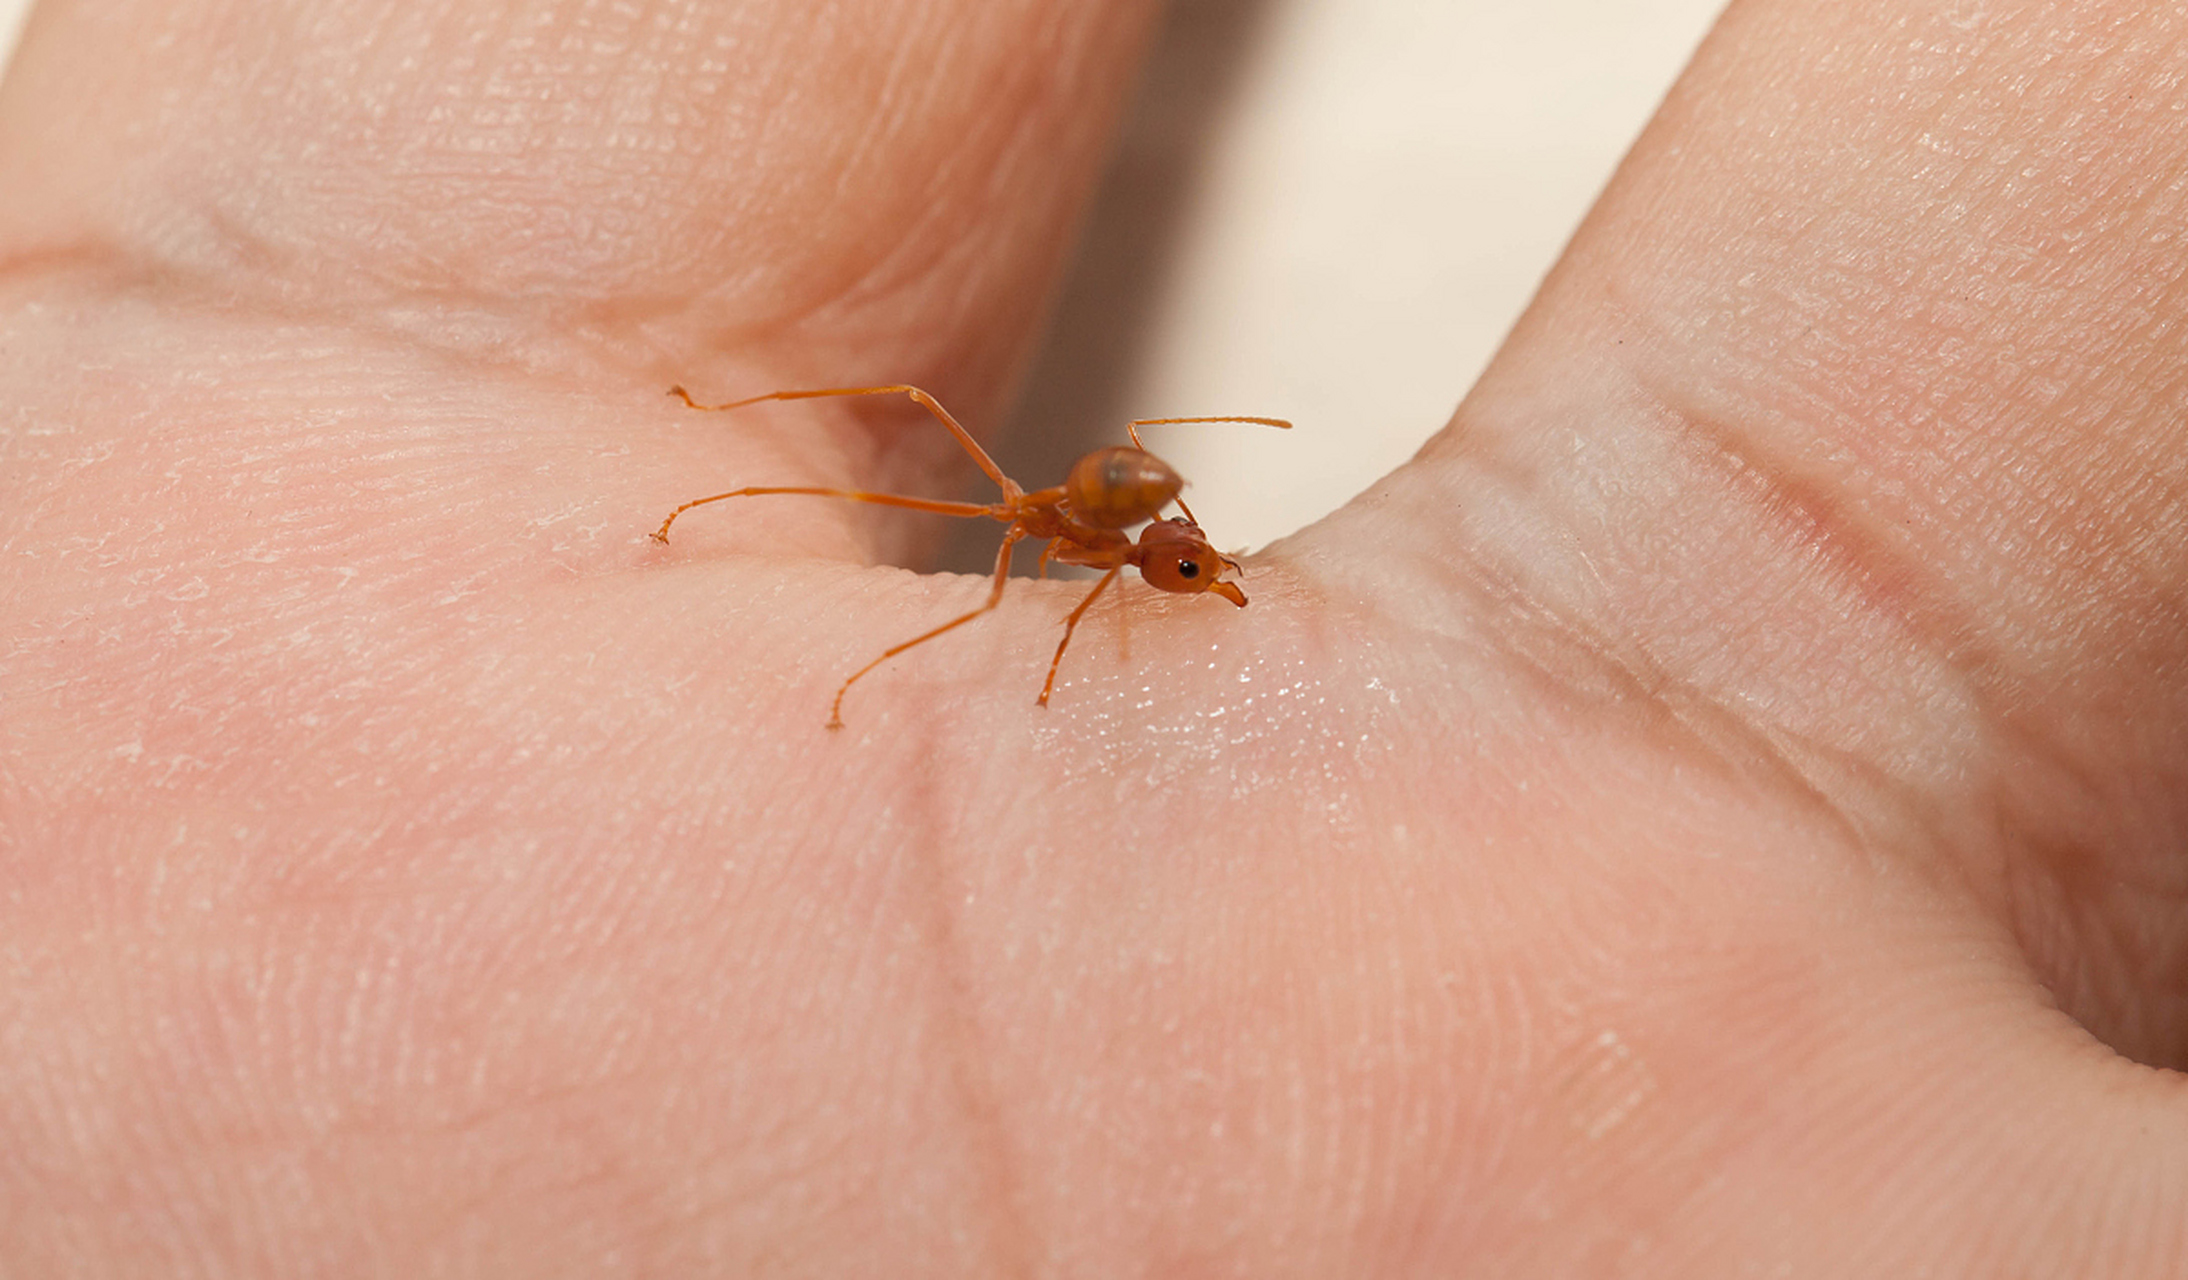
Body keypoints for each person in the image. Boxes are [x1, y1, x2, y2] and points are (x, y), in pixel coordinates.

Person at [2, 0, 2180, 1272]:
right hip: (992, 518)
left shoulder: (1133, 562)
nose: (1171, 572)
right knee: (944, 472)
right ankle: (743, 476)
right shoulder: (1040, 538)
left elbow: (1149, 510)